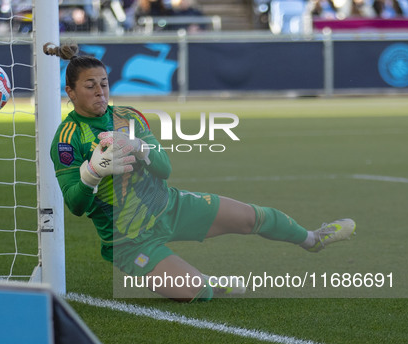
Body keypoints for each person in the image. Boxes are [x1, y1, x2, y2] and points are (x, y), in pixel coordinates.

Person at [45, 42, 356, 303]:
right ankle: (204, 281)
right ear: (70, 92)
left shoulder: (129, 116)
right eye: (90, 86)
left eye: (104, 83)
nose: (100, 92)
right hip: (128, 241)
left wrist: (140, 147)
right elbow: (76, 205)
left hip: (170, 206)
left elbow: (165, 169)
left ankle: (313, 238)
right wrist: (92, 173)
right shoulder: (67, 138)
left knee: (253, 217)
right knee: (199, 293)